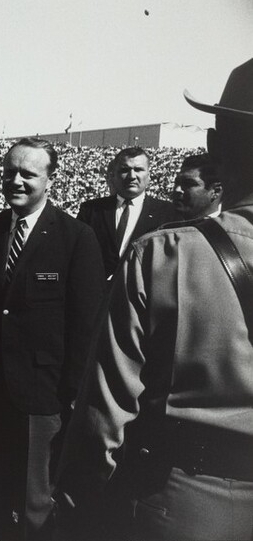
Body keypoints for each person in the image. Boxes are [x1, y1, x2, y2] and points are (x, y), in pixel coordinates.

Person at [54, 58, 253, 541]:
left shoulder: (167, 252)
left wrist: (79, 496)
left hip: (191, 499)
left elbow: (105, 413)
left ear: (215, 148)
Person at [0, 138, 105, 540]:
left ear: (50, 179)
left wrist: (72, 393)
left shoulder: (76, 237)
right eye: (10, 172)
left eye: (28, 174)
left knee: (34, 500)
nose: (17, 181)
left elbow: (85, 325)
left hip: (42, 395)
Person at [77, 147, 176, 280]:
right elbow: (79, 256)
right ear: (114, 175)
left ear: (149, 175)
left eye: (138, 169)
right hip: (97, 293)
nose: (131, 176)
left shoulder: (167, 213)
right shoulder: (91, 209)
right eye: (124, 170)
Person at [170, 153, 223, 221]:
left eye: (188, 184)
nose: (177, 189)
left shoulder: (226, 229)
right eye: (176, 183)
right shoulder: (160, 222)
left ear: (216, 191)